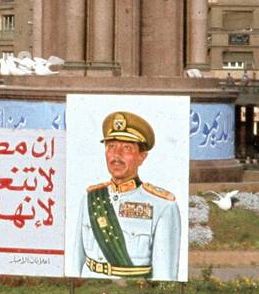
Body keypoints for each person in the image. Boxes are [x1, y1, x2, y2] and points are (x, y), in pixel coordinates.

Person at [69, 110, 182, 281]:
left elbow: (165, 276)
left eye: (126, 148)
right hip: (88, 288)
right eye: (111, 146)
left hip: (133, 293)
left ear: (142, 157)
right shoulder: (90, 198)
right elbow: (75, 262)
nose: (116, 156)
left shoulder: (162, 206)